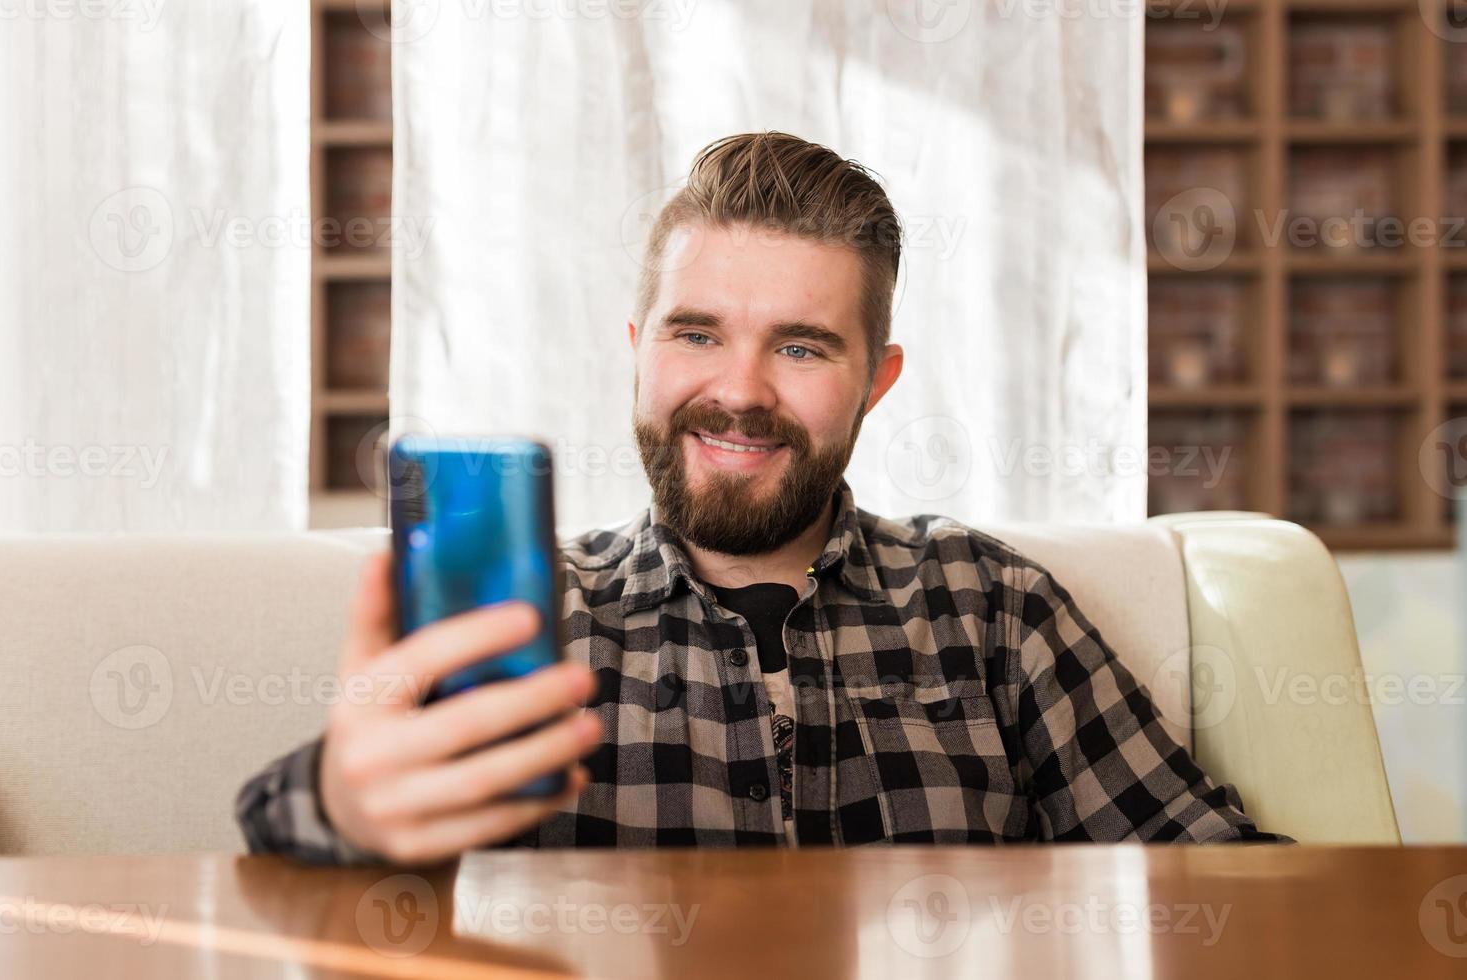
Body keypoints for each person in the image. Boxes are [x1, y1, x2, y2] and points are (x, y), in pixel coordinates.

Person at [237, 132, 1286, 866]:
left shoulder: (990, 602)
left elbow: (1223, 883)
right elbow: (296, 843)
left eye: (801, 345)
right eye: (696, 332)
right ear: (637, 350)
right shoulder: (523, 613)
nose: (738, 391)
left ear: (879, 379)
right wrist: (341, 804)